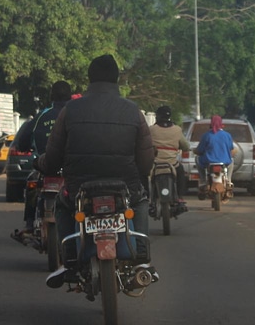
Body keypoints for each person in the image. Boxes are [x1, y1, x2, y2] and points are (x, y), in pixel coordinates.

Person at [36, 54, 155, 288]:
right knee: (140, 200)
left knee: (62, 203)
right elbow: (146, 162)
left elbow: (51, 160)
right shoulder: (133, 111)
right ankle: (141, 259)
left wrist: (41, 164)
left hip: (80, 189)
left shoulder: (70, 110)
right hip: (125, 188)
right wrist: (137, 178)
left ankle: (69, 260)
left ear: (89, 79)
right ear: (117, 79)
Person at [11, 80, 72, 247]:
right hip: (71, 168)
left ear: (51, 96)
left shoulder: (42, 116)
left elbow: (23, 140)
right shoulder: (77, 114)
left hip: (45, 166)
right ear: (71, 96)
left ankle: (29, 225)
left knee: (31, 185)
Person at [148, 105, 189, 209]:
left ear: (157, 116)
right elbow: (186, 146)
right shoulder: (177, 130)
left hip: (154, 164)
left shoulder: (151, 129)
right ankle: (179, 196)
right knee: (181, 171)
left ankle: (146, 197)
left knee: (143, 175)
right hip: (172, 164)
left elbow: (144, 145)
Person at [194, 114, 235, 199]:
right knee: (232, 161)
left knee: (197, 159)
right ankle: (228, 181)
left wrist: (196, 151)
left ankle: (203, 181)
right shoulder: (227, 135)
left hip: (208, 161)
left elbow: (200, 150)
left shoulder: (206, 135)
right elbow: (231, 148)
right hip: (224, 161)